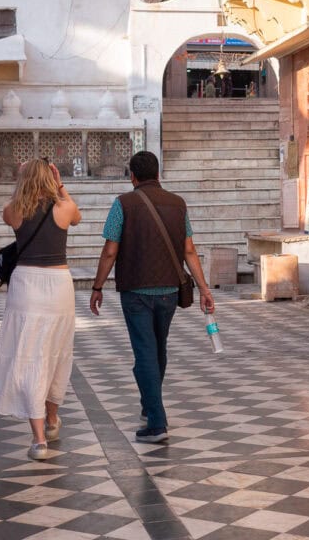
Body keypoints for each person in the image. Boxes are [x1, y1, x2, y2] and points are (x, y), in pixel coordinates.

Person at [90, 150, 215, 444]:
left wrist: (97, 287)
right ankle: (149, 405)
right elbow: (189, 250)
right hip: (170, 291)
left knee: (145, 352)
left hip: (136, 291)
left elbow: (110, 249)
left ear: (132, 175)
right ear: (158, 174)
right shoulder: (178, 204)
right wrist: (205, 288)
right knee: (158, 349)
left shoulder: (123, 204)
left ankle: (157, 423)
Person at [0, 159, 82, 461]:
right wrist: (60, 185)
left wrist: (22, 179)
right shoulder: (63, 208)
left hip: (26, 284)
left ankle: (39, 439)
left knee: (30, 355)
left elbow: (12, 205)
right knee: (56, 351)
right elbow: (76, 216)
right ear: (52, 178)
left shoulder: (13, 210)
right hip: (58, 284)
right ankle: (51, 420)